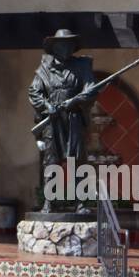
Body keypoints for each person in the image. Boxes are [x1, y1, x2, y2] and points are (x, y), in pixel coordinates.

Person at [27, 29, 98, 213]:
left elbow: (90, 90)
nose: (66, 47)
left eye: (69, 44)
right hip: (53, 121)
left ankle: (80, 203)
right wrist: (47, 105)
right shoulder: (44, 69)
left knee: (78, 161)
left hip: (74, 119)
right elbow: (34, 92)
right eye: (62, 44)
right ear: (55, 47)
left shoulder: (82, 66)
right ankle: (49, 203)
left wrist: (75, 100)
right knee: (51, 161)